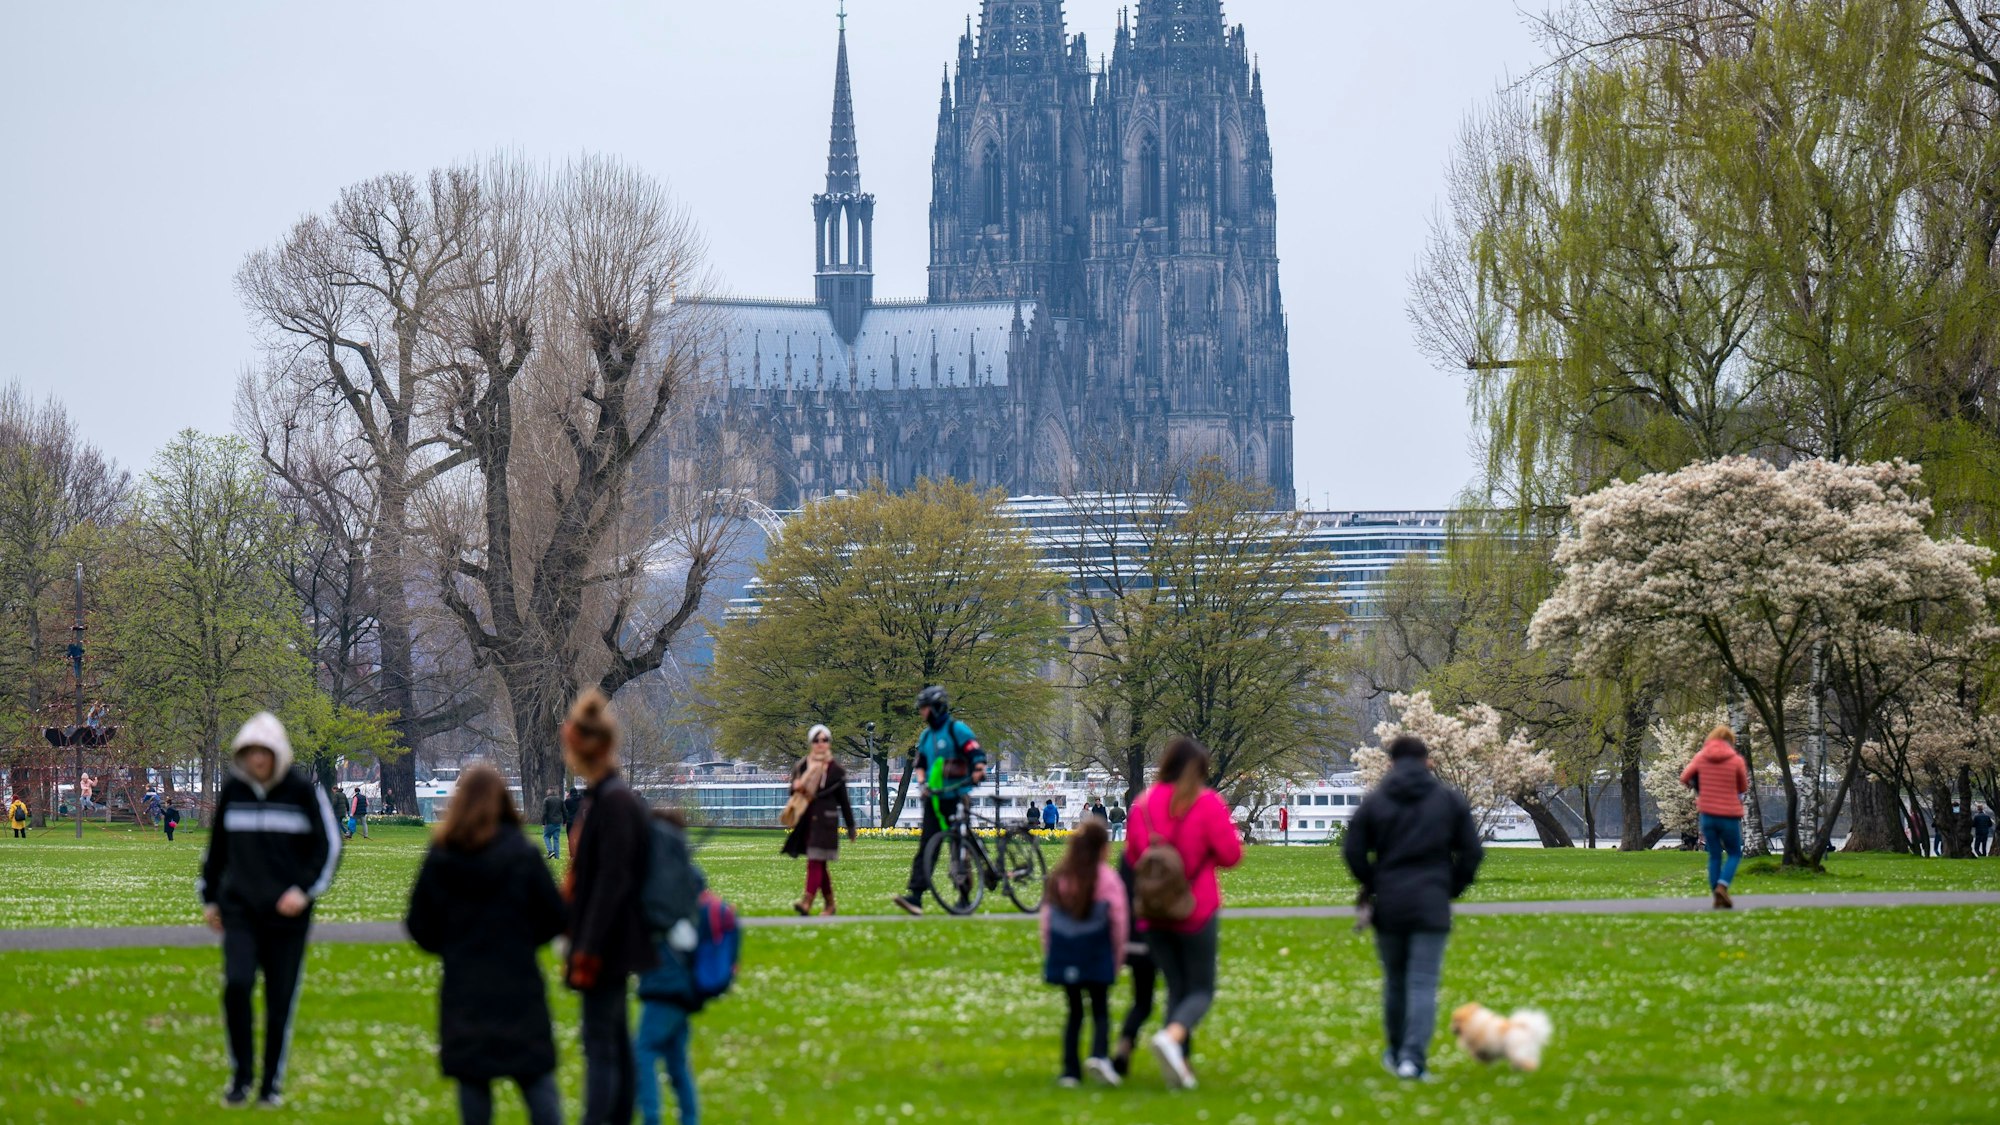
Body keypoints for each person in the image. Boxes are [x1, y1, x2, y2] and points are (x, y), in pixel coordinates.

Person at [405, 763, 567, 1125]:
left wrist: (450, 945)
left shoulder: (444, 857)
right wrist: (525, 939)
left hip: (466, 981)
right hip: (518, 979)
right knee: (535, 1077)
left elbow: (419, 923)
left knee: (474, 1080)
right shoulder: (522, 854)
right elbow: (555, 916)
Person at [198, 712, 343, 1107]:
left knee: (280, 1001)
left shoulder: (302, 792)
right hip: (240, 911)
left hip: (288, 917)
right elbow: (217, 851)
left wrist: (304, 891)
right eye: (250, 752)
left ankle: (269, 1086)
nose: (258, 760)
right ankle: (241, 1077)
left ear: (277, 753)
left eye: (264, 752)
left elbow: (328, 848)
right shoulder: (234, 792)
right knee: (238, 985)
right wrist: (210, 897)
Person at [1343, 734, 1484, 1082]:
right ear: (1428, 762)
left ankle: (1395, 1051)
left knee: (1395, 982)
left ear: (1391, 763)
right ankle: (1412, 1059)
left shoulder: (1375, 802)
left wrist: (1374, 881)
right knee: (1422, 982)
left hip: (1389, 902)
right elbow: (1471, 852)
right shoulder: (1448, 800)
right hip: (1431, 900)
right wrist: (1451, 886)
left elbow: (1353, 851)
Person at [1123, 736, 1243, 1090]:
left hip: (1153, 912)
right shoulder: (1206, 803)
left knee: (1177, 986)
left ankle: (1181, 1065)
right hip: (1195, 908)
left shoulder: (1143, 805)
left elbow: (1133, 857)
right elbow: (1230, 855)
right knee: (1201, 989)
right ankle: (1172, 1037)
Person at [562, 689, 656, 1125]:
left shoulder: (612, 802)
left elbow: (611, 882)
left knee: (602, 1048)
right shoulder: (609, 798)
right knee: (614, 1043)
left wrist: (587, 946)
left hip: (606, 946)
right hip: (610, 943)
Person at [1041, 819, 1126, 1088]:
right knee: (1100, 1009)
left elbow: (1047, 919)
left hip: (1066, 951)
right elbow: (1119, 921)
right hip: (1096, 951)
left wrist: (1051, 951)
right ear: (1103, 847)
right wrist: (1117, 956)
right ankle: (1099, 1056)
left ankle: (1070, 1071)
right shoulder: (1107, 878)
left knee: (1075, 1012)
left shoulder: (1061, 876)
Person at [636, 807, 706, 1125]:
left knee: (643, 1051)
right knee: (676, 1060)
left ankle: (652, 1117)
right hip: (685, 980)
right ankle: (689, 1119)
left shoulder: (660, 883)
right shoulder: (688, 876)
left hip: (665, 978)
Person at [891, 686, 986, 916]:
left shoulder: (957, 730)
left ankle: (964, 895)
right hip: (934, 799)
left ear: (936, 708)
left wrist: (978, 769)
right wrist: (922, 783)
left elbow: (975, 753)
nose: (922, 713)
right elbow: (921, 765)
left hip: (957, 795)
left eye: (924, 708)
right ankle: (916, 895)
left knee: (958, 846)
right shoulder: (926, 737)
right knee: (927, 845)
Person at [782, 724, 856, 916]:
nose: (820, 744)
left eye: (824, 740)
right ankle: (830, 905)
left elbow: (844, 801)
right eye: (817, 740)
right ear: (811, 743)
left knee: (815, 861)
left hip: (825, 823)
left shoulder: (836, 771)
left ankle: (807, 901)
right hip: (807, 820)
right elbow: (793, 789)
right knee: (819, 863)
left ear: (829, 743)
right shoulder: (802, 765)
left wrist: (851, 826)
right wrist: (796, 786)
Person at [1681, 726, 1750, 908]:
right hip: (1729, 815)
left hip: (1708, 814)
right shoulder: (1736, 760)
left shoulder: (1701, 757)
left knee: (1714, 855)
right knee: (1734, 852)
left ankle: (1717, 896)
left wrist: (1699, 786)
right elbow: (1743, 787)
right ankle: (1722, 886)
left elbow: (1685, 777)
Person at [541, 788, 566, 860]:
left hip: (549, 822)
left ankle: (550, 851)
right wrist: (564, 821)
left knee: (546, 836)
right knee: (556, 839)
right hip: (558, 822)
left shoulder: (546, 800)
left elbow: (544, 812)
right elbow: (565, 811)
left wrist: (543, 822)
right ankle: (557, 856)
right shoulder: (560, 800)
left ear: (549, 793)